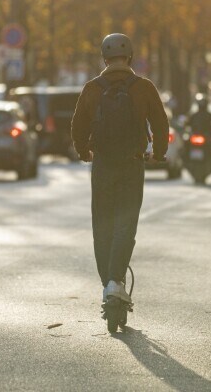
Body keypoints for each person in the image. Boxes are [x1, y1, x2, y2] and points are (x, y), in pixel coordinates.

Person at [71, 33, 169, 304]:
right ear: (130, 57)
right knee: (126, 223)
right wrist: (159, 153)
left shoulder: (92, 88)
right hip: (132, 163)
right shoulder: (143, 87)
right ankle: (116, 281)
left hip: (102, 165)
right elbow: (160, 123)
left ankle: (108, 284)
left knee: (102, 225)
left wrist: (84, 152)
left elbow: (78, 126)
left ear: (104, 58)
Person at [186, 94, 211, 160]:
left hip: (206, 136)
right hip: (199, 136)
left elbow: (187, 124)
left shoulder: (196, 115)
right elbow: (187, 124)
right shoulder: (204, 115)